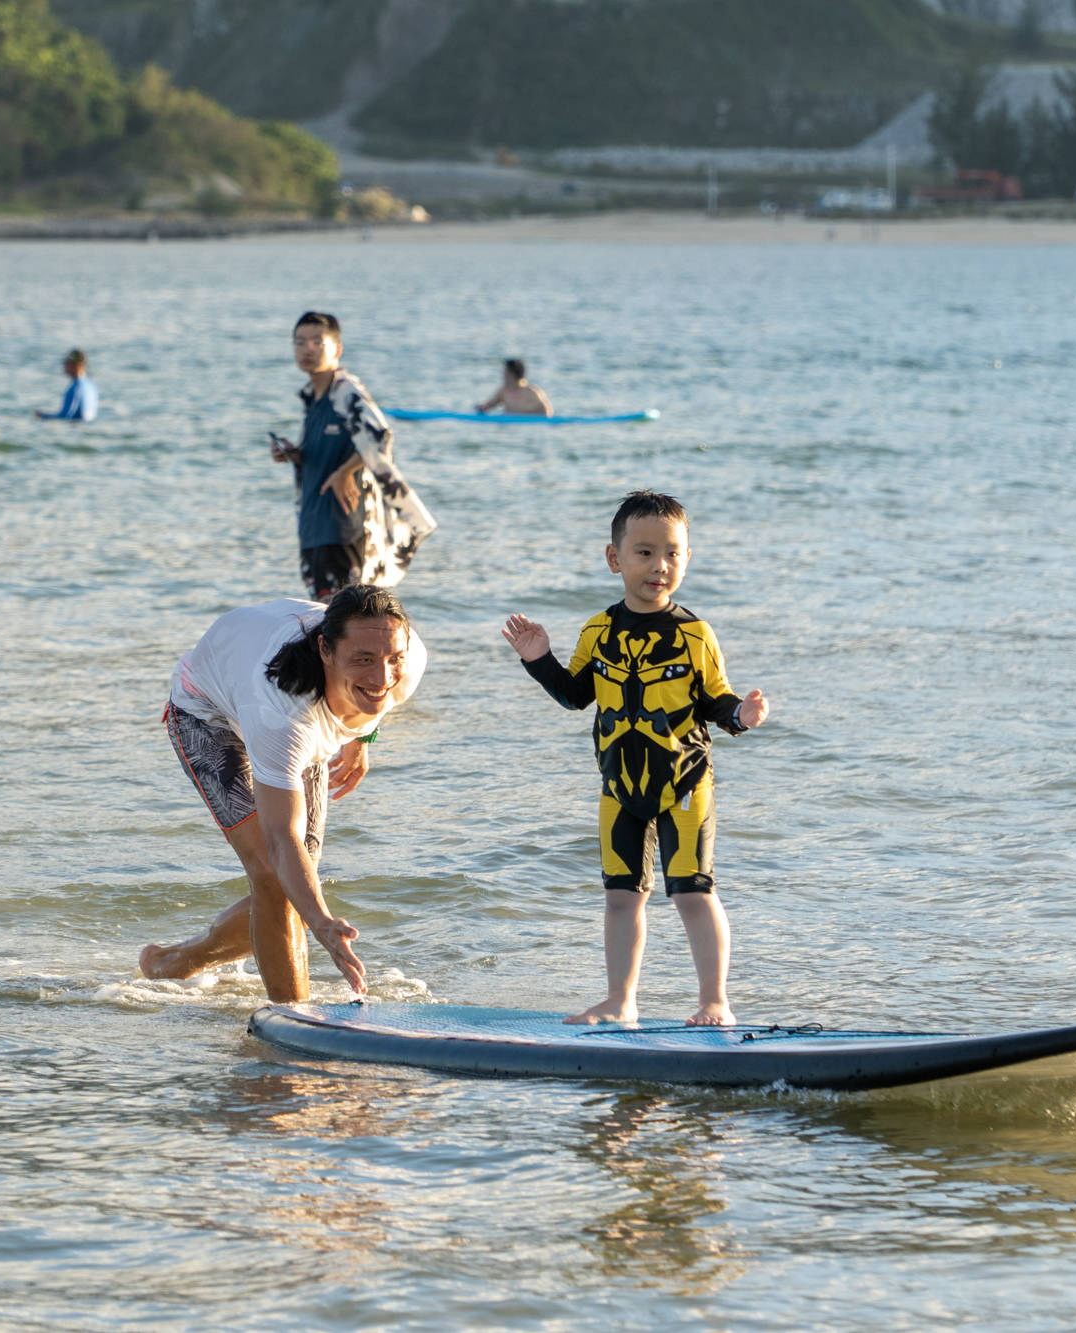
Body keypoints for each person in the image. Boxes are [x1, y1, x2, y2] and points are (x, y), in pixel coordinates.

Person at [500, 490, 770, 1027]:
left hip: (686, 785)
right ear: (614, 558)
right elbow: (576, 695)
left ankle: (714, 1000)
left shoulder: (694, 634)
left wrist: (742, 714)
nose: (660, 565)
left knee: (693, 893)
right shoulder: (599, 631)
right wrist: (538, 660)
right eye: (644, 552)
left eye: (673, 553)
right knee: (621, 898)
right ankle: (621, 1001)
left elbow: (715, 699)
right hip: (619, 788)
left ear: (687, 559)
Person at [140, 585, 428, 1001]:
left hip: (278, 696)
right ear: (325, 650)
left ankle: (175, 963)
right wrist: (324, 923)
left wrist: (361, 739)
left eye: (391, 659)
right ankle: (293, 1021)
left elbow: (379, 692)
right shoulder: (282, 713)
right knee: (277, 875)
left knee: (297, 883)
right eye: (363, 659)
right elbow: (282, 839)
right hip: (208, 712)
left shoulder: (408, 658)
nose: (383, 675)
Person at [271, 311, 435, 600]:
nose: (307, 348)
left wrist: (346, 471)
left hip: (344, 528)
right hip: (314, 526)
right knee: (324, 619)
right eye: (300, 342)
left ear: (337, 348)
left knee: (345, 620)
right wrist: (294, 455)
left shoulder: (347, 392)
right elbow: (332, 448)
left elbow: (380, 435)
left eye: (317, 342)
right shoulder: (314, 399)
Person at [35, 348, 98, 422]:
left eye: (66, 363)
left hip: (77, 429)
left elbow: (66, 417)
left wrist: (43, 417)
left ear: (76, 365)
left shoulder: (76, 388)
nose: (64, 366)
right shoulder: (91, 386)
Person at [477, 358, 552, 416]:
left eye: (505, 372)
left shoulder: (532, 392)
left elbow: (547, 412)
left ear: (512, 375)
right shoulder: (503, 391)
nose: (502, 375)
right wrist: (480, 408)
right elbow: (486, 407)